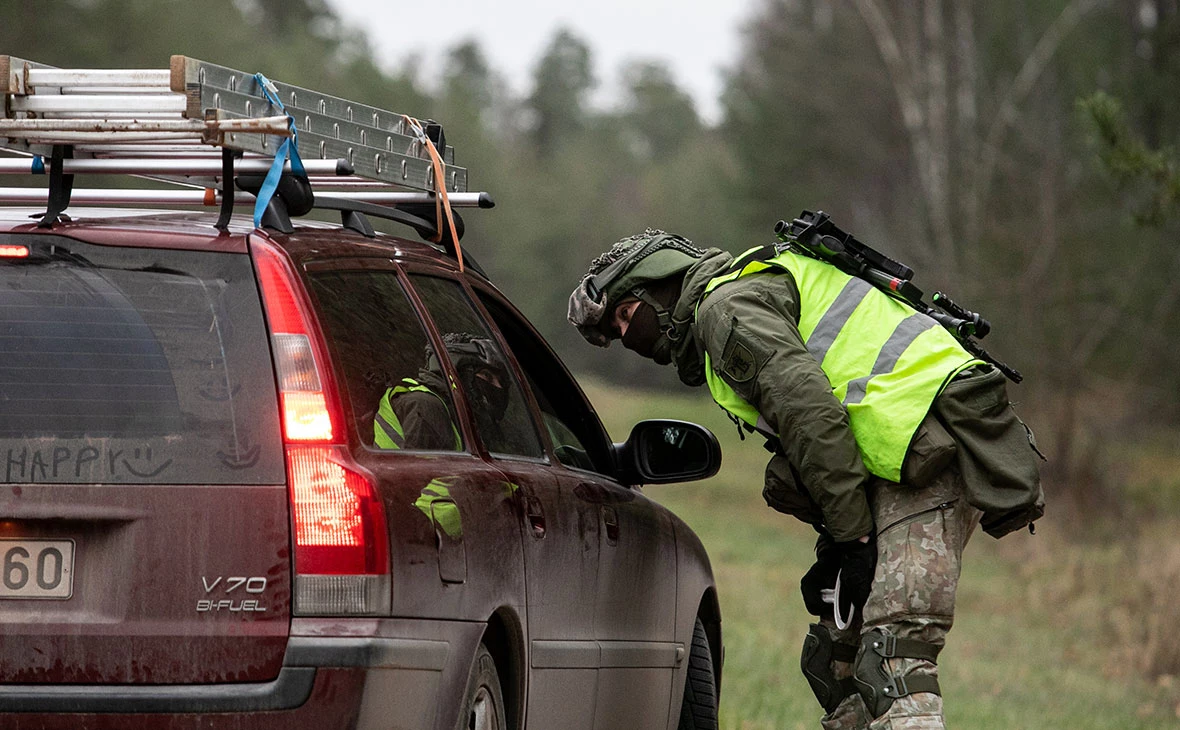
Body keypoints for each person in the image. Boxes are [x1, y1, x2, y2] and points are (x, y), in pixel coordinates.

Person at [568, 229, 1044, 730]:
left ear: (660, 285)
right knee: (836, 662)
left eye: (626, 315)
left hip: (928, 456)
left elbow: (812, 418)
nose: (628, 336)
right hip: (897, 462)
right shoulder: (737, 298)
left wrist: (853, 536)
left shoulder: (726, 310)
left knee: (893, 660)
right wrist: (842, 545)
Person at [374, 332, 509, 451]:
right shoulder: (427, 406)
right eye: (487, 376)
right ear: (458, 372)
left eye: (501, 382)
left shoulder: (458, 418)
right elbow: (418, 477)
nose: (498, 387)